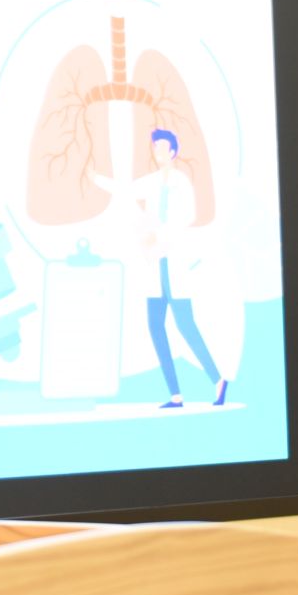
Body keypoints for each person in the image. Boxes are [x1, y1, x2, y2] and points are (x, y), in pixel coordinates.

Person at [92, 128, 229, 409]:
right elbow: (126, 189)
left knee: (185, 325)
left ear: (173, 151)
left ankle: (217, 380)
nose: (158, 152)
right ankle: (175, 395)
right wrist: (96, 177)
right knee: (155, 326)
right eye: (155, 147)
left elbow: (188, 215)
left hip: (173, 260)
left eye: (163, 147)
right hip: (155, 263)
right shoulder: (152, 182)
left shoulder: (181, 182)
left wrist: (160, 236)